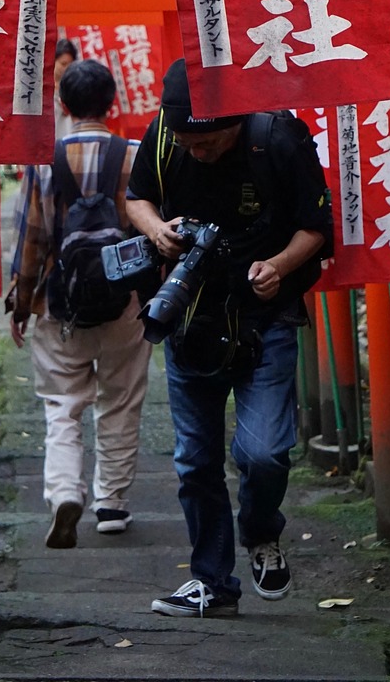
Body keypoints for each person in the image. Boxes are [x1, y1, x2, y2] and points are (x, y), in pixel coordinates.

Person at [125, 58, 331, 618]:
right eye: (188, 143)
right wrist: (157, 230)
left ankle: (262, 532)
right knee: (195, 459)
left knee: (263, 453)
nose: (198, 151)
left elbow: (317, 226)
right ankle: (211, 583)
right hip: (190, 317)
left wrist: (280, 266)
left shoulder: (277, 136)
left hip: (266, 318)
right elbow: (137, 197)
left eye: (209, 142)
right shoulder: (166, 135)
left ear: (236, 120)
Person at [5, 59, 152, 549]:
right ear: (112, 103)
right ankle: (111, 503)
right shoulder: (135, 155)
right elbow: (155, 231)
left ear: (63, 105)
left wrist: (22, 302)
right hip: (124, 301)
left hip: (59, 303)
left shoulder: (45, 161)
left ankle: (66, 490)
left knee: (63, 405)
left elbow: (32, 241)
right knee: (121, 400)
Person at [53, 37, 78, 139]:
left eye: (70, 64)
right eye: (63, 64)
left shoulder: (76, 87)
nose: (67, 68)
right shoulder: (42, 88)